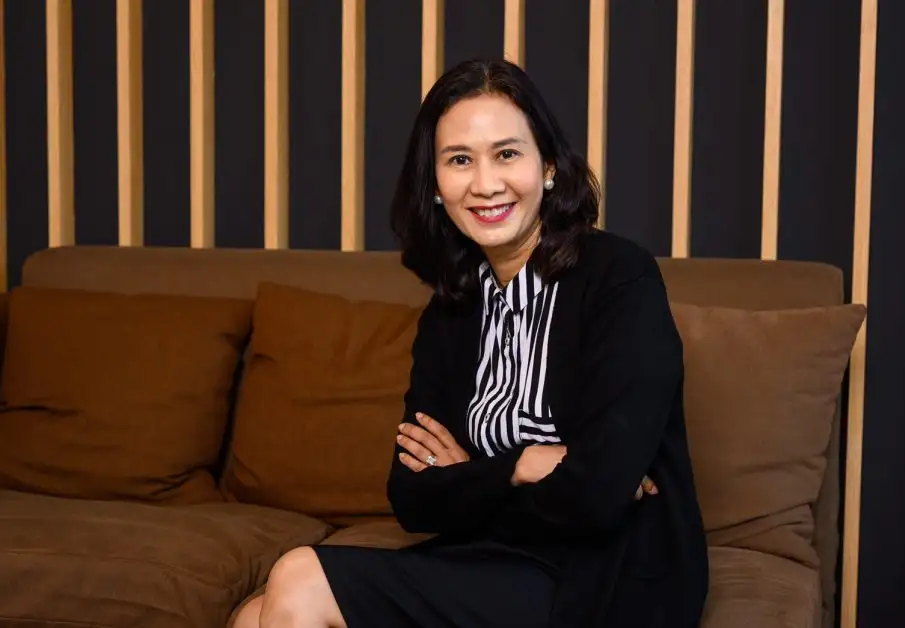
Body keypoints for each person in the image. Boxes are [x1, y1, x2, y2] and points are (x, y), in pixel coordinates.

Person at [233, 57, 709, 628]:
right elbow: (412, 497)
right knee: (254, 614)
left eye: (506, 154)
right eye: (460, 160)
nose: (485, 184)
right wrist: (522, 464)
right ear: (435, 184)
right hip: (494, 560)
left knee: (299, 577)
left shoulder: (618, 277)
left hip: (607, 577)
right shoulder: (452, 311)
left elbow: (601, 494)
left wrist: (473, 477)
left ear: (548, 165)